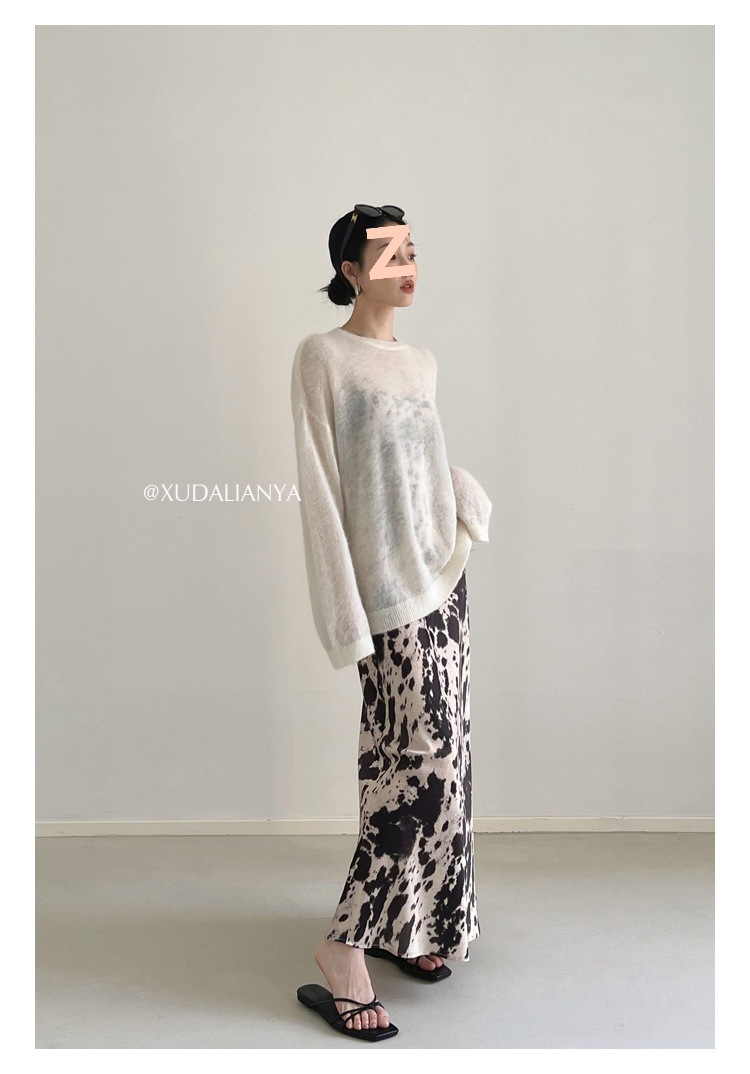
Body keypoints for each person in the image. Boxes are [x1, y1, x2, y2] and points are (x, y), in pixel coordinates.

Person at [291, 205, 492, 1041]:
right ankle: (344, 947)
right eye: (389, 256)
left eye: (413, 252)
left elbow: (413, 465)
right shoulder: (323, 357)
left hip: (443, 577)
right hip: (384, 595)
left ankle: (413, 924)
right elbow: (322, 489)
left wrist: (458, 494)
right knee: (417, 764)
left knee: (443, 758)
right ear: (351, 272)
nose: (408, 268)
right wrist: (345, 615)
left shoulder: (422, 363)